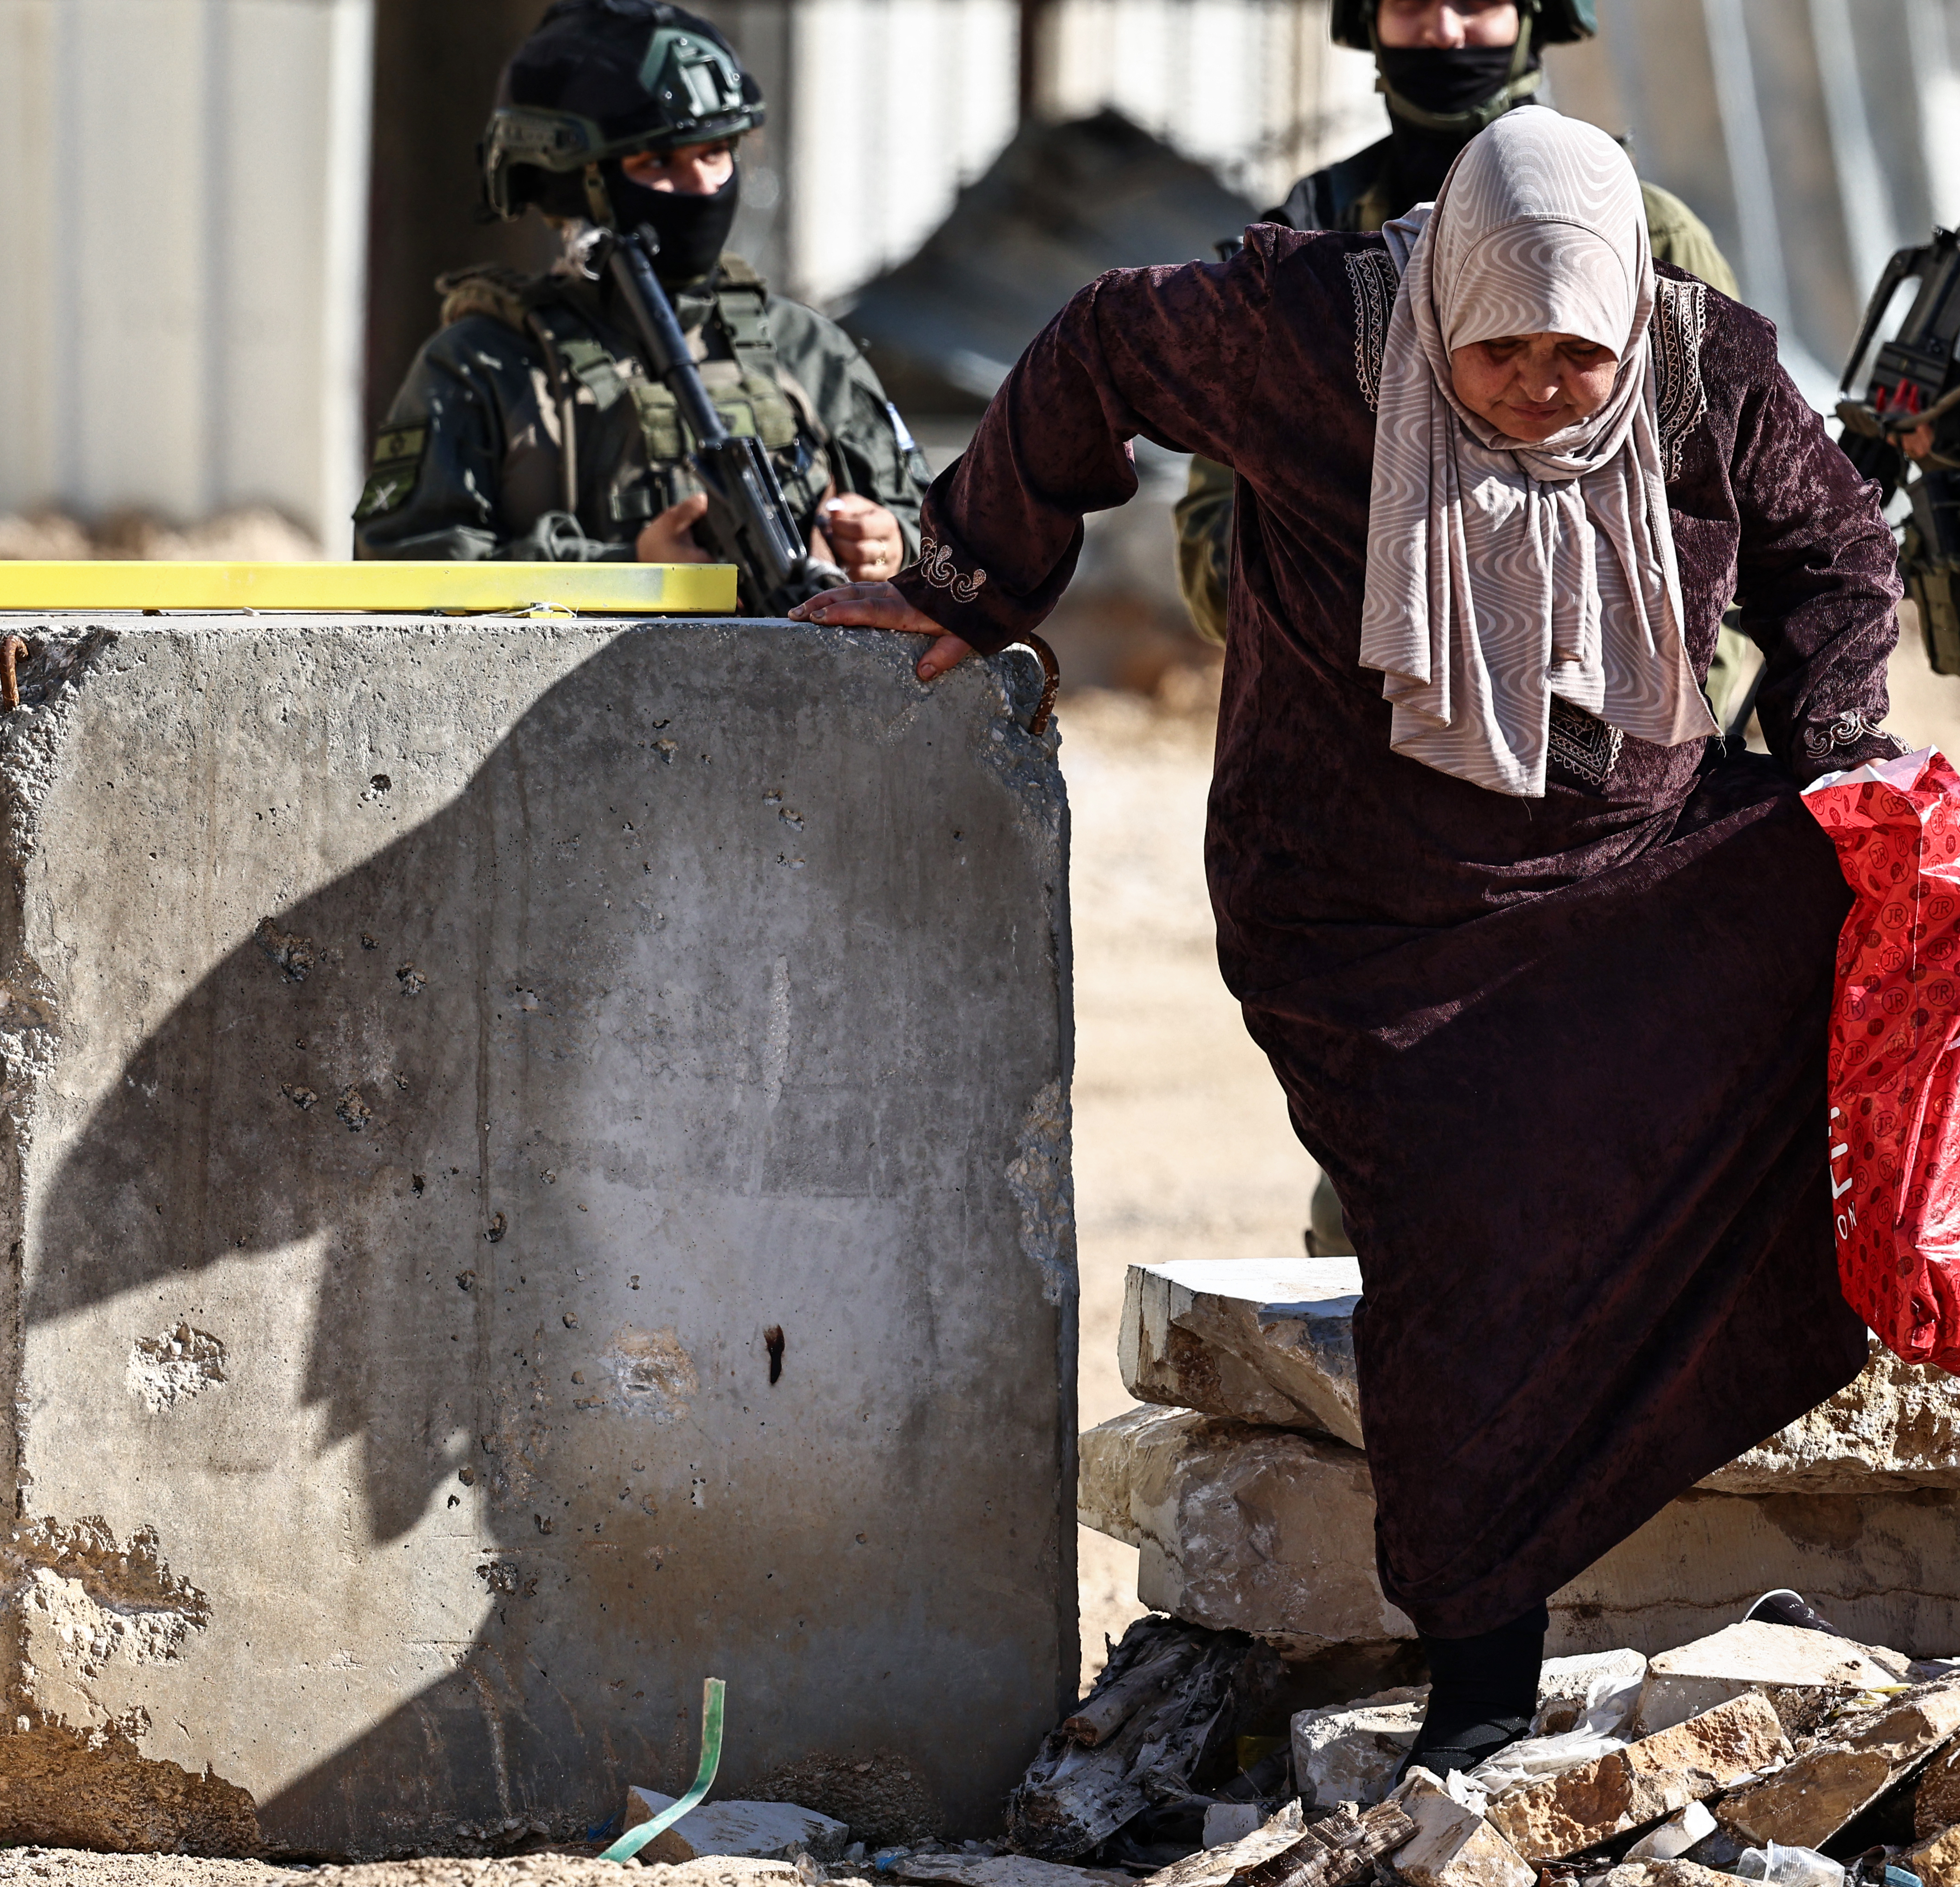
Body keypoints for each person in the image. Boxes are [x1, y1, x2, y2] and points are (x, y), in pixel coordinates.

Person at [799, 105, 1900, 1770]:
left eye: (1574, 353)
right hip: (1364, 909)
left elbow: (1833, 553)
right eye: (1498, 348)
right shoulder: (1303, 333)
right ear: (1435, 305)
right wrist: (976, 577)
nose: (1540, 383)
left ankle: (1703, 1509)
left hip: (1617, 866)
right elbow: (1097, 343)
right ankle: (1477, 1678)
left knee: (1875, 910)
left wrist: (1831, 754)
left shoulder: (1701, 366)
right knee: (1461, 1243)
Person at [1170, 0, 1738, 649]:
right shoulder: (1300, 243)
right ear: (1371, 20)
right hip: (1360, 717)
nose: (1443, 29)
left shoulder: (1648, 235)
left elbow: (1732, 514)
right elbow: (1215, 552)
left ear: (1533, 14)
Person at [357, 0, 926, 582]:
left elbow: (941, 535)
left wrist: (892, 543)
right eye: (658, 163)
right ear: (577, 183)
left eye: (715, 154)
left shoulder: (805, 348)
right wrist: (627, 570)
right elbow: (400, 568)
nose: (702, 185)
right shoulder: (484, 365)